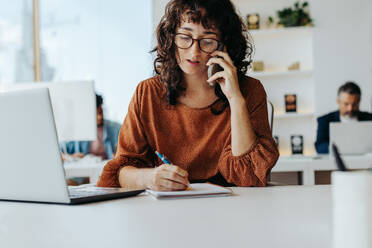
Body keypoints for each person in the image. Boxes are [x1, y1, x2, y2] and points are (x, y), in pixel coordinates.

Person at [97, 0, 279, 190]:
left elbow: (249, 177)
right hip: (166, 209)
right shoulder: (147, 93)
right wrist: (149, 178)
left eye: (208, 41)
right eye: (185, 37)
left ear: (224, 45)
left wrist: (235, 99)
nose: (194, 52)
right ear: (171, 38)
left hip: (233, 208)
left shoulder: (250, 90)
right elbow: (119, 173)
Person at [315, 82, 372, 154]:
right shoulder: (325, 120)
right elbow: (320, 146)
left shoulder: (370, 119)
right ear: (338, 101)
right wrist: (341, 149)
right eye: (346, 104)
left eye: (354, 104)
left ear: (359, 101)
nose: (350, 108)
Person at [61, 93, 121, 161]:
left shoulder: (116, 128)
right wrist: (70, 157)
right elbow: (58, 152)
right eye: (96, 114)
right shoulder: (77, 132)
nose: (100, 117)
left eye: (101, 112)